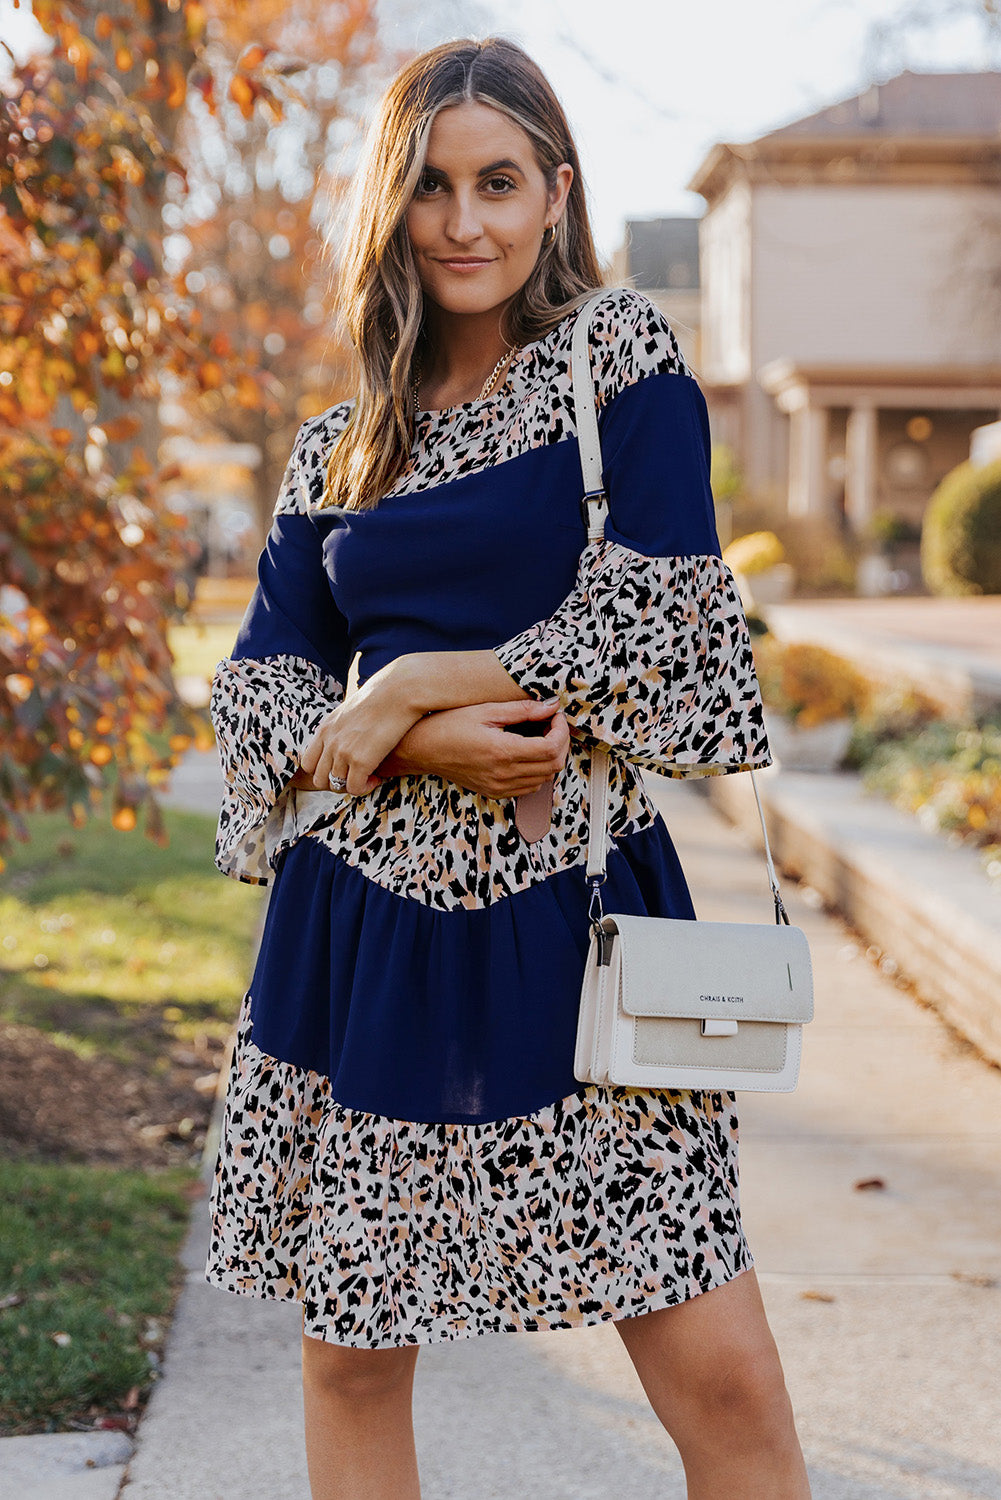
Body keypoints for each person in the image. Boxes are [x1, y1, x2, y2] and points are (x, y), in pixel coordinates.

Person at [204, 34, 813, 1500]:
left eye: (495, 182)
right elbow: (256, 694)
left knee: (716, 1367)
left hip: (579, 920)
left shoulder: (621, 364)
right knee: (352, 1356)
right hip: (362, 939)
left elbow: (664, 610)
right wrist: (406, 737)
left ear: (555, 191)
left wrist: (413, 683)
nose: (463, 222)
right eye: (429, 186)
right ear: (390, 207)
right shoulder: (338, 450)